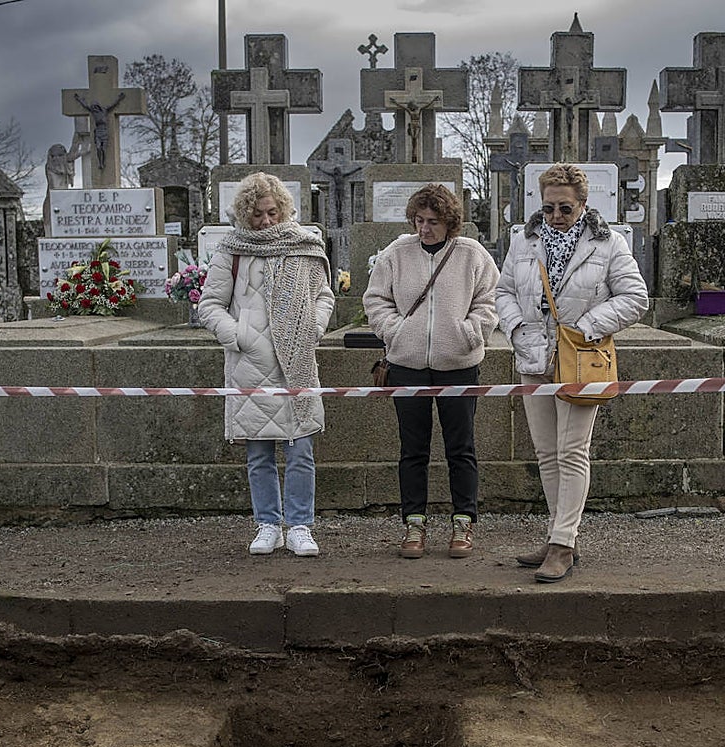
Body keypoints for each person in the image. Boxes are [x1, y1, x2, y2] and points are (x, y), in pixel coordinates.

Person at [495, 163, 648, 583]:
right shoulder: (525, 241)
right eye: (548, 208)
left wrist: (587, 327)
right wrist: (517, 328)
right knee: (546, 452)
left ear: (583, 204)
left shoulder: (607, 243)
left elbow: (635, 297)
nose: (556, 216)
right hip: (534, 358)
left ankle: (563, 543)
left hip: (581, 359)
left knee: (572, 451)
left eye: (565, 208)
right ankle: (558, 535)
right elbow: (504, 291)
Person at [198, 173, 336, 557]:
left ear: (284, 209)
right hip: (250, 363)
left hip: (297, 362)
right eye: (257, 214)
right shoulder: (232, 250)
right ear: (245, 214)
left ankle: (300, 526)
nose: (266, 221)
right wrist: (238, 336)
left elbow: (323, 297)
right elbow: (210, 305)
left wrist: (313, 328)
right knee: (258, 454)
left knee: (300, 451)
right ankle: (268, 525)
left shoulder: (304, 246)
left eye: (272, 212)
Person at [363, 184, 499, 560]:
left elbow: (489, 299)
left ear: (449, 223)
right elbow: (376, 299)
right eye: (419, 220)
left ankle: (463, 521)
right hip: (407, 365)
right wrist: (395, 331)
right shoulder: (396, 254)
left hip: (458, 364)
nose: (424, 228)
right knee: (412, 449)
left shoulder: (471, 254)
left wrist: (470, 333)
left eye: (433, 222)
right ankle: (414, 523)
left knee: (461, 447)